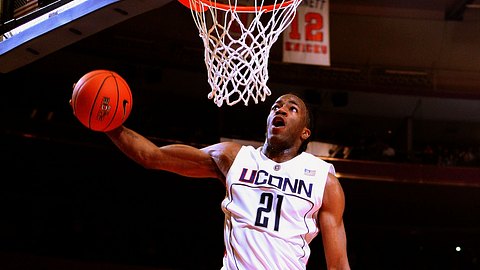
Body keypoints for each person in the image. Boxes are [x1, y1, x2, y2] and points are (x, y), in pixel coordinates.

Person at [80, 93, 350, 269]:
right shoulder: (233, 158)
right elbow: (152, 156)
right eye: (276, 106)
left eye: (292, 109)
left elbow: (337, 265)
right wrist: (110, 126)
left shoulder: (322, 179)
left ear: (305, 132)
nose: (281, 109)